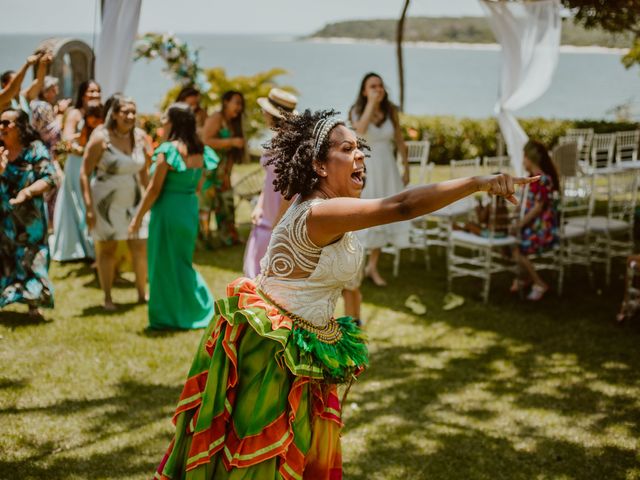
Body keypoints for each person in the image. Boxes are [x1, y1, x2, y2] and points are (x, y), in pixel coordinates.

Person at [154, 109, 535, 479]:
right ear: (319, 166)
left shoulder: (318, 203)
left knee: (295, 453)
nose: (360, 157)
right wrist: (477, 183)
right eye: (347, 149)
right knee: (263, 458)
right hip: (275, 352)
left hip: (304, 343)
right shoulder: (321, 213)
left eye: (360, 150)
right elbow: (402, 205)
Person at [128, 103, 220, 330]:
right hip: (188, 209)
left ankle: (168, 316)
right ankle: (194, 310)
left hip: (168, 211)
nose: (162, 123)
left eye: (165, 119)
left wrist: (137, 218)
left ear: (173, 122)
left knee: (162, 264)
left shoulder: (168, 151)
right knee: (182, 263)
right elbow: (198, 186)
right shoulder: (201, 150)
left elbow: (154, 189)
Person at [80, 96, 149, 311]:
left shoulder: (139, 137)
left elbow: (145, 172)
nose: (130, 116)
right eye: (125, 112)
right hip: (106, 204)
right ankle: (108, 298)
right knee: (107, 249)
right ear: (115, 114)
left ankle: (141, 294)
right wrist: (89, 208)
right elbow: (84, 173)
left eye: (133, 112)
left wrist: (149, 200)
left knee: (139, 246)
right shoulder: (101, 138)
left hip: (134, 200)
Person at [350, 72, 411, 287]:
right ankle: (356, 264)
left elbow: (400, 139)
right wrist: (371, 104)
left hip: (389, 169)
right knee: (364, 216)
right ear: (364, 90)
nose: (377, 89)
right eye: (372, 86)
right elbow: (360, 130)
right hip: (367, 169)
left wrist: (406, 167)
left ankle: (372, 266)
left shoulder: (390, 110)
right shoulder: (357, 110)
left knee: (384, 216)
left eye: (380, 85)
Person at [0, 108, 58, 318]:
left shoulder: (34, 150)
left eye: (7, 123)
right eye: (0, 123)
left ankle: (33, 304)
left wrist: (27, 191)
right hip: (3, 219)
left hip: (30, 219)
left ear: (21, 128)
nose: (2, 128)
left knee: (32, 259)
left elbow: (50, 178)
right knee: (4, 259)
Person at [242, 88, 298, 278]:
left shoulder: (289, 147)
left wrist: (278, 227)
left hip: (277, 224)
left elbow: (288, 190)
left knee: (264, 280)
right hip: (264, 220)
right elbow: (270, 180)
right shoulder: (276, 140)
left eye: (265, 110)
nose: (263, 113)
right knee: (254, 276)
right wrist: (259, 206)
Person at [50, 81, 102, 262]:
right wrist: (83, 143)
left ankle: (94, 244)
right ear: (83, 94)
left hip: (96, 163)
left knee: (93, 200)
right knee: (77, 201)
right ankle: (78, 248)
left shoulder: (102, 113)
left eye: (97, 91)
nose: (95, 94)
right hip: (77, 162)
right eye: (91, 91)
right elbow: (66, 140)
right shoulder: (75, 113)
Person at [510, 140, 560, 301]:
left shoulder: (543, 180)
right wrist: (515, 213)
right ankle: (526, 277)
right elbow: (525, 203)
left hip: (542, 227)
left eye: (523, 157)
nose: (522, 161)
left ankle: (539, 283)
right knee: (507, 243)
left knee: (517, 248)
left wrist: (520, 224)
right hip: (530, 224)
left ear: (530, 158)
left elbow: (538, 208)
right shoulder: (530, 179)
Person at [201, 90, 245, 246]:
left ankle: (228, 237)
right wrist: (231, 142)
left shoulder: (234, 123)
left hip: (223, 172)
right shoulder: (216, 118)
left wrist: (228, 172)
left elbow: (231, 155)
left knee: (226, 205)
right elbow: (205, 141)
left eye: (241, 104)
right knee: (206, 206)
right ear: (226, 102)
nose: (239, 107)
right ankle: (204, 241)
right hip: (209, 171)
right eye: (237, 103)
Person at [0, 51, 52, 120]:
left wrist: (43, 63)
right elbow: (12, 88)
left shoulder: (24, 98)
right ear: (4, 84)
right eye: (15, 81)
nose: (18, 83)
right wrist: (27, 65)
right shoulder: (2, 99)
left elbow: (39, 82)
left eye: (19, 80)